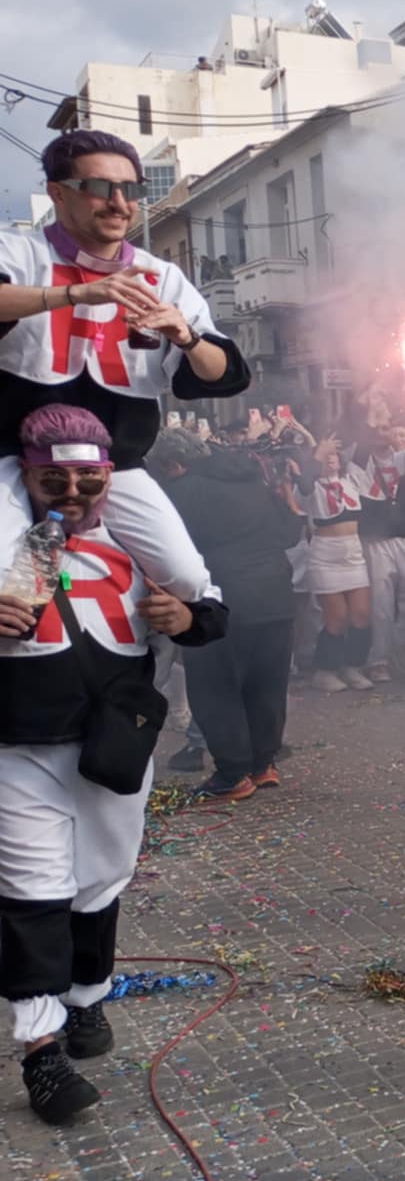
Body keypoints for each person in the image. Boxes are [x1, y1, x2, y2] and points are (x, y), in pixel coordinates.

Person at [0, 406, 224, 1124]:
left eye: (89, 481)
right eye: (53, 481)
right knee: (32, 891)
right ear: (26, 475)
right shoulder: (8, 547)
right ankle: (40, 1050)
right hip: (19, 747)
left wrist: (188, 619)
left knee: (99, 880)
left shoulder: (137, 542)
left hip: (113, 745)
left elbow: (210, 606)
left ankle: (86, 998)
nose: (72, 494)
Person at [0, 132, 251, 602]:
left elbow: (228, 373)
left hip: (116, 466)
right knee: (8, 586)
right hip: (13, 460)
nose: (120, 203)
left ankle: (143, 640)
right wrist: (75, 293)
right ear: (58, 193)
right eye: (100, 188)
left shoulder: (163, 276)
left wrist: (187, 337)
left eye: (131, 190)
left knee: (187, 580)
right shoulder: (16, 252)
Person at [150, 429, 303, 801]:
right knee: (266, 685)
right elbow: (289, 533)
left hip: (219, 601)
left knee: (216, 688)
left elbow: (167, 552)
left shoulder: (182, 492)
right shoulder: (253, 481)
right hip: (275, 597)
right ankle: (263, 764)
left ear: (174, 464)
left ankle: (233, 774)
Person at [298, 438, 375, 692]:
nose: (331, 457)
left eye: (334, 454)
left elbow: (361, 446)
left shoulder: (351, 480)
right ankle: (325, 670)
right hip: (325, 554)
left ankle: (354, 666)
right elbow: (304, 483)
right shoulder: (310, 487)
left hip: (353, 552)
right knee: (336, 617)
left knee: (361, 615)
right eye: (326, 454)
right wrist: (318, 454)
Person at [359, 421, 405, 684]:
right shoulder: (360, 460)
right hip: (376, 537)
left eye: (386, 429)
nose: (381, 434)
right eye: (376, 429)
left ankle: (401, 654)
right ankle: (379, 661)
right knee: (381, 603)